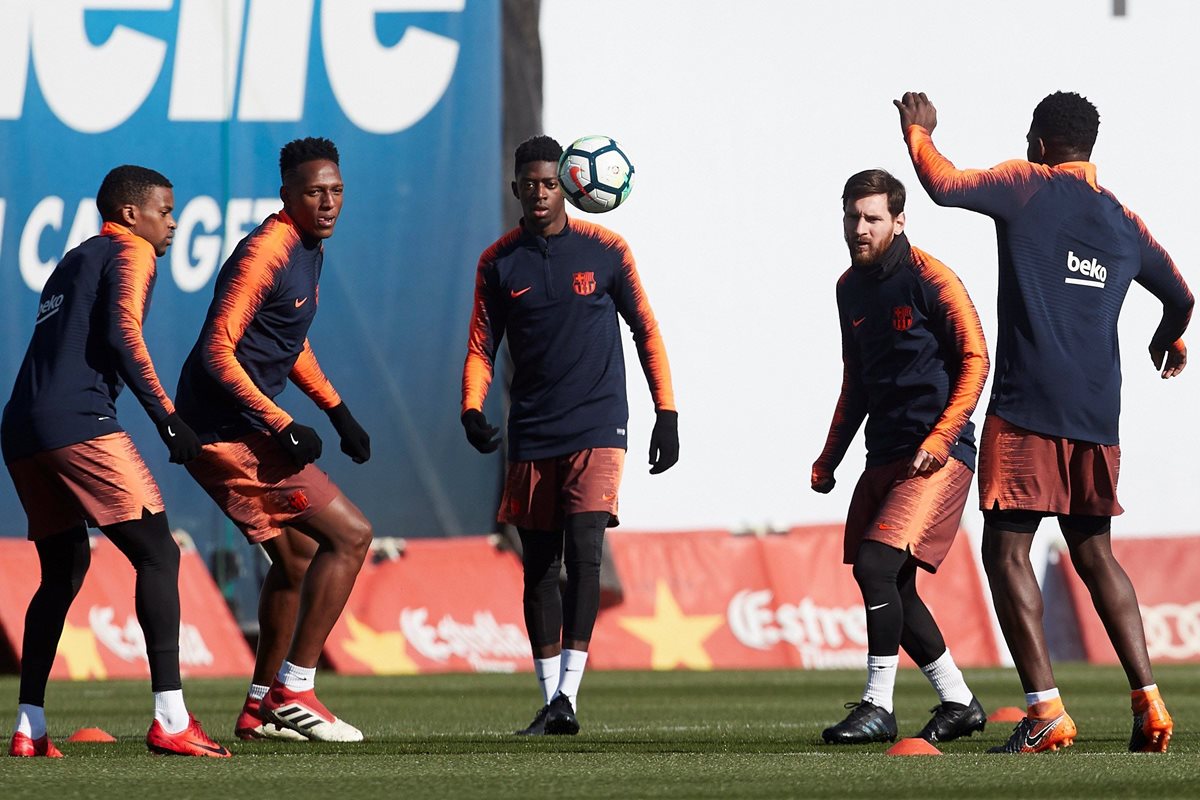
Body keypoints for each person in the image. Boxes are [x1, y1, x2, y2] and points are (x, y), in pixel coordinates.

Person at [895, 90, 1193, 754]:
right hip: (1098, 412)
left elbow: (943, 186)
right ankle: (1148, 702)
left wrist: (916, 131)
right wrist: (1169, 340)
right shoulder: (1122, 221)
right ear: (1089, 147)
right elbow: (1181, 295)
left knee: (1006, 549)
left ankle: (1046, 711)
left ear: (1038, 143)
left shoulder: (1024, 185)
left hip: (1028, 407)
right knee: (1095, 552)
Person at [3, 166, 229, 758]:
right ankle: (172, 719)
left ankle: (29, 726)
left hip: (22, 428)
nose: (174, 221)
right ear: (132, 214)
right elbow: (124, 332)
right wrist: (166, 416)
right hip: (78, 423)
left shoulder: (75, 257)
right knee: (159, 552)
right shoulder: (132, 251)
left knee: (64, 570)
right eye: (166, 209)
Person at [462, 135, 678, 736]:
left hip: (598, 423)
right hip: (532, 430)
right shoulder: (498, 262)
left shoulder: (607, 251)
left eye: (548, 183)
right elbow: (482, 346)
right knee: (537, 568)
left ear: (569, 186)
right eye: (528, 184)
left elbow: (646, 330)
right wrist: (472, 406)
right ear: (515, 190)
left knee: (584, 550)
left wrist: (667, 411)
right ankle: (549, 696)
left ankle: (569, 698)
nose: (538, 193)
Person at [175, 137, 373, 743]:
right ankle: (297, 688)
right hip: (224, 429)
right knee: (352, 535)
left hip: (233, 424)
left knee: (296, 560)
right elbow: (217, 351)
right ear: (286, 193)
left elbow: (287, 341)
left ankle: (260, 709)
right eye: (315, 192)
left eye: (336, 190)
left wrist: (336, 410)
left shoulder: (309, 249)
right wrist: (284, 423)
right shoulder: (267, 250)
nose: (329, 202)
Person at [812, 169, 990, 746]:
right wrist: (830, 455)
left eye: (872, 218)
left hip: (937, 452)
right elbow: (854, 381)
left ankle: (877, 705)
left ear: (899, 220)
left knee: (875, 566)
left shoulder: (931, 278)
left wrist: (941, 439)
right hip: (883, 452)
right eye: (852, 217)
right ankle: (959, 703)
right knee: (894, 583)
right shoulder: (848, 288)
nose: (859, 228)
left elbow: (976, 359)